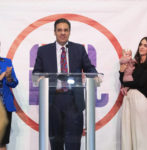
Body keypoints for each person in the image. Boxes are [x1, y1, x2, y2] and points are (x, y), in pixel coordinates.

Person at [33, 18, 99, 150]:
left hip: (74, 102)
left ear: (69, 32)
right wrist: (39, 78)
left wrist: (94, 75)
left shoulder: (79, 49)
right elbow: (36, 72)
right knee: (56, 143)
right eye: (59, 30)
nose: (62, 33)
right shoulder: (43, 51)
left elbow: (89, 68)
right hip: (53, 102)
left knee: (74, 144)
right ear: (54, 32)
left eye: (65, 30)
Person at [119, 37, 147, 150]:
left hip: (141, 101)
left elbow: (140, 83)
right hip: (128, 100)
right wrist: (121, 71)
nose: (142, 47)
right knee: (128, 133)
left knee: (141, 134)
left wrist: (127, 82)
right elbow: (123, 80)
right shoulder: (134, 64)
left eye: (145, 45)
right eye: (141, 44)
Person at [0, 57, 18, 150]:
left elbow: (14, 83)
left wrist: (9, 77)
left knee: (2, 143)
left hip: (4, 107)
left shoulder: (6, 62)